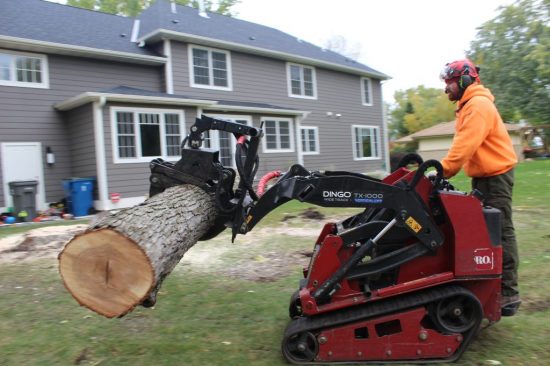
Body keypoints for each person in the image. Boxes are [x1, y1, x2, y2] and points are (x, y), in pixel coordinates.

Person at [439, 59, 521, 316]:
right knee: (482, 232)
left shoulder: (478, 105)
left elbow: (465, 145)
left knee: (500, 230)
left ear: (464, 80)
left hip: (496, 176)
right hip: (484, 177)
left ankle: (508, 293)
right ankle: (487, 285)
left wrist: (442, 170)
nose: (446, 89)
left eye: (449, 83)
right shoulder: (468, 106)